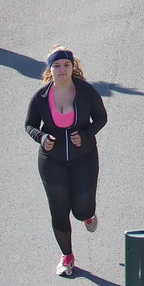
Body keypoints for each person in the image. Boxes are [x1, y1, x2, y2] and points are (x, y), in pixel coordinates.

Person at [25, 47, 108, 273]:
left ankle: (88, 215)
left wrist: (85, 135)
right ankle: (67, 256)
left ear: (73, 68)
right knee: (59, 210)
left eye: (66, 65)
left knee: (81, 210)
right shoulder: (41, 96)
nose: (62, 70)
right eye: (57, 66)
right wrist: (41, 138)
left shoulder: (86, 92)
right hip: (52, 160)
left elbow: (101, 118)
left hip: (84, 157)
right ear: (50, 69)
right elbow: (29, 125)